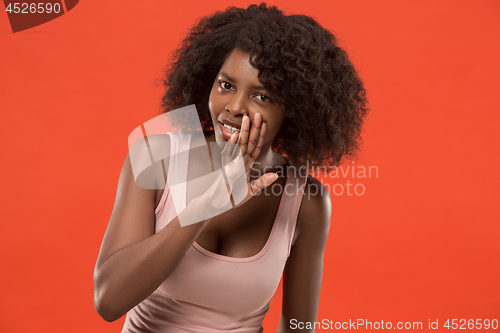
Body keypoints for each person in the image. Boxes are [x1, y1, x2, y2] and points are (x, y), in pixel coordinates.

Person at [94, 3, 368, 332]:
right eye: (226, 85)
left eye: (262, 96)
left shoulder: (306, 201)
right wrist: (206, 205)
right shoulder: (156, 157)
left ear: (294, 109)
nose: (234, 107)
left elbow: (297, 327)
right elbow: (108, 300)